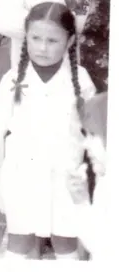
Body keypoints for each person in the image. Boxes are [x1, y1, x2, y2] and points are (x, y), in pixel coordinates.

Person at [0, 2, 95, 260]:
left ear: (70, 41)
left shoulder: (80, 80)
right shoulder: (13, 78)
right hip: (22, 173)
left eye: (52, 40)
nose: (42, 47)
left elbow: (94, 131)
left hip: (66, 174)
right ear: (25, 37)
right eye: (35, 38)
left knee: (65, 239)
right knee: (20, 238)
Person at [67, 92, 109, 260]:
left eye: (93, 135)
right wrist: (81, 202)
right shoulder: (105, 182)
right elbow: (97, 243)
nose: (85, 144)